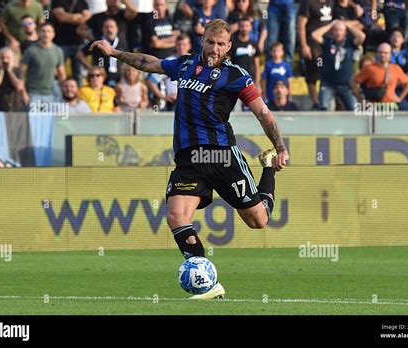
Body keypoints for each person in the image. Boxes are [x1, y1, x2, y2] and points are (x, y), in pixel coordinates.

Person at [90, 18, 289, 299]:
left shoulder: (236, 76)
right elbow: (150, 63)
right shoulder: (184, 65)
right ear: (202, 41)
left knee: (258, 220)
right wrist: (114, 53)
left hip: (222, 157)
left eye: (221, 44)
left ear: (229, 46)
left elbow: (263, 113)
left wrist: (279, 147)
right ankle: (208, 284)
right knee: (175, 216)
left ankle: (266, 167)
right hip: (189, 160)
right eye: (210, 42)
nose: (214, 48)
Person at [312, 19, 365, 111]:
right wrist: (331, 25)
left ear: (345, 32)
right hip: (328, 83)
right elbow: (314, 35)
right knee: (323, 108)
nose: (338, 32)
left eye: (340, 30)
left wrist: (347, 25)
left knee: (354, 109)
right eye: (335, 30)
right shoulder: (328, 42)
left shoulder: (350, 42)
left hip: (346, 84)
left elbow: (362, 36)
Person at [20, 23, 66, 107]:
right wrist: (23, 93)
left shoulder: (58, 51)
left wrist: (63, 92)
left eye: (49, 31)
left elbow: (62, 74)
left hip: (51, 94)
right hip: (33, 94)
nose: (46, 34)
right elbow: (22, 73)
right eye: (43, 31)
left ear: (53, 34)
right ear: (38, 33)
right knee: (33, 120)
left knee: (49, 120)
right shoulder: (30, 51)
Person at [77, 18, 127, 87]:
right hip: (100, 80)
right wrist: (90, 68)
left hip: (119, 80)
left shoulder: (123, 42)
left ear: (116, 29)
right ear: (102, 29)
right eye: (106, 27)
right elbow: (79, 55)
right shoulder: (97, 42)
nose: (109, 29)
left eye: (111, 27)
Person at [0, 46, 27, 111]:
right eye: (2, 58)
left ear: (13, 59)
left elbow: (19, 87)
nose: (5, 60)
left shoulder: (18, 71)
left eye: (8, 58)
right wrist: (1, 70)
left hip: (15, 109)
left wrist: (10, 71)